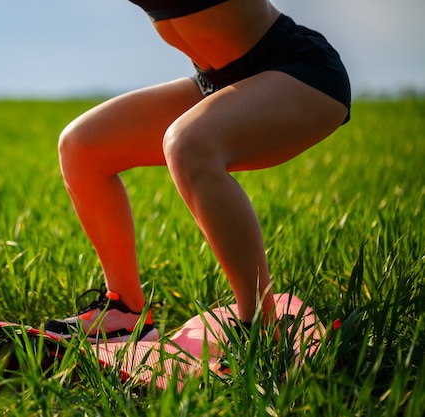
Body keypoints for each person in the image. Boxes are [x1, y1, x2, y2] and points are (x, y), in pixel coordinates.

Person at [44, 0, 350, 344]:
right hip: (216, 82)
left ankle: (261, 329)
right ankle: (125, 313)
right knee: (81, 146)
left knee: (187, 144)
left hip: (299, 72)